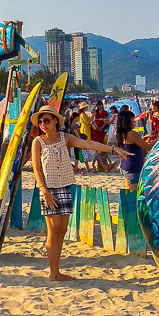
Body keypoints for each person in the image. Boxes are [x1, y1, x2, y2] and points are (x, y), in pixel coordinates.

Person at [30, 105, 131, 281]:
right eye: (40, 121)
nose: (43, 124)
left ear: (55, 121)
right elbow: (37, 169)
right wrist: (43, 190)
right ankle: (53, 272)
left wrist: (114, 150)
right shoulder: (38, 142)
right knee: (52, 231)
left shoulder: (65, 138)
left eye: (46, 120)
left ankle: (57, 271)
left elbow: (89, 144)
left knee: (61, 231)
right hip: (49, 189)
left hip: (65, 186)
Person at [116, 110, 154, 193]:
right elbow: (148, 147)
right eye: (133, 120)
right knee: (133, 196)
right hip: (133, 169)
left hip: (125, 166)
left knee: (128, 194)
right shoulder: (131, 134)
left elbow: (131, 145)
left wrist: (145, 137)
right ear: (128, 121)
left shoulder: (121, 133)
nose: (135, 122)